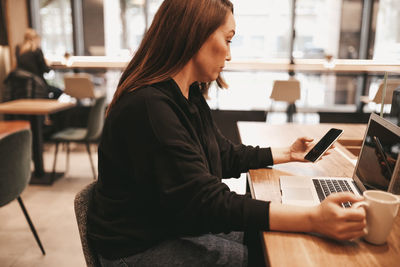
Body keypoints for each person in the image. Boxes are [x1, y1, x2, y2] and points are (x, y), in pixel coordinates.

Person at [87, 0, 366, 266]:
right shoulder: (149, 108)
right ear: (194, 35)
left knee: (270, 240)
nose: (230, 55)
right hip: (139, 248)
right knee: (275, 257)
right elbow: (205, 202)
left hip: (170, 223)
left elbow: (219, 153)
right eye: (228, 39)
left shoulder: (187, 94)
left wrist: (288, 154)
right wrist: (312, 218)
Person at [15, 28, 62, 99]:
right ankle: (48, 106)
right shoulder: (37, 51)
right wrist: (48, 64)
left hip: (22, 86)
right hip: (38, 84)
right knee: (58, 91)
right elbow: (45, 70)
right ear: (36, 39)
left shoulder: (19, 50)